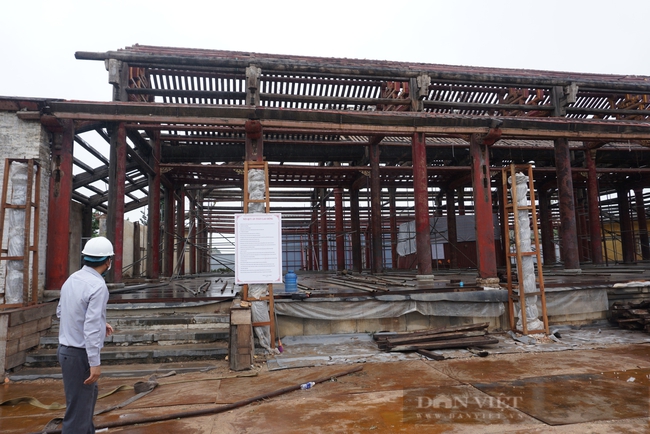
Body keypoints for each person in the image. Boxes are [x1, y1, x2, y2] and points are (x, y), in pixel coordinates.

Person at [56, 236, 115, 433]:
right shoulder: (98, 286)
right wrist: (95, 363)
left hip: (66, 351)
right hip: (80, 355)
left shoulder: (72, 279)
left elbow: (61, 312)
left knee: (83, 407)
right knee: (78, 415)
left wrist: (100, 321)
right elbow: (89, 329)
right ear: (108, 261)